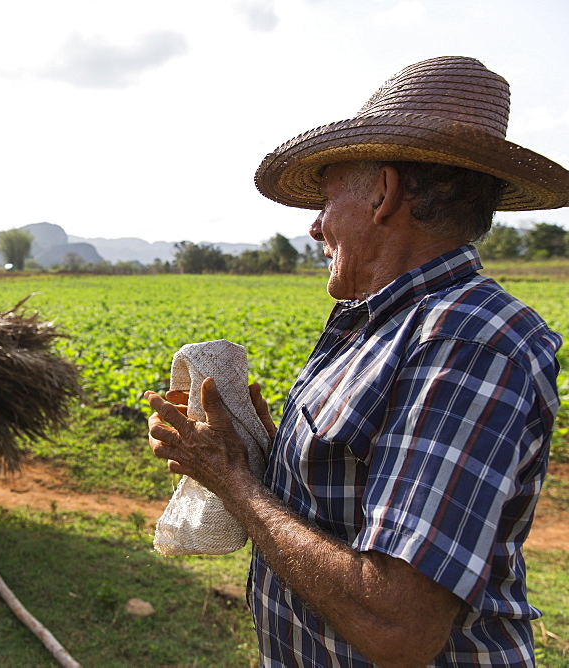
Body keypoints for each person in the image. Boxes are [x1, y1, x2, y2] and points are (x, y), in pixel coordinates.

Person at [146, 56, 569, 666]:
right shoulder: (378, 322)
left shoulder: (467, 339)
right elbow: (348, 505)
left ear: (384, 194)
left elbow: (397, 627)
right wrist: (264, 453)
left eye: (324, 199)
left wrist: (232, 481)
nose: (316, 228)